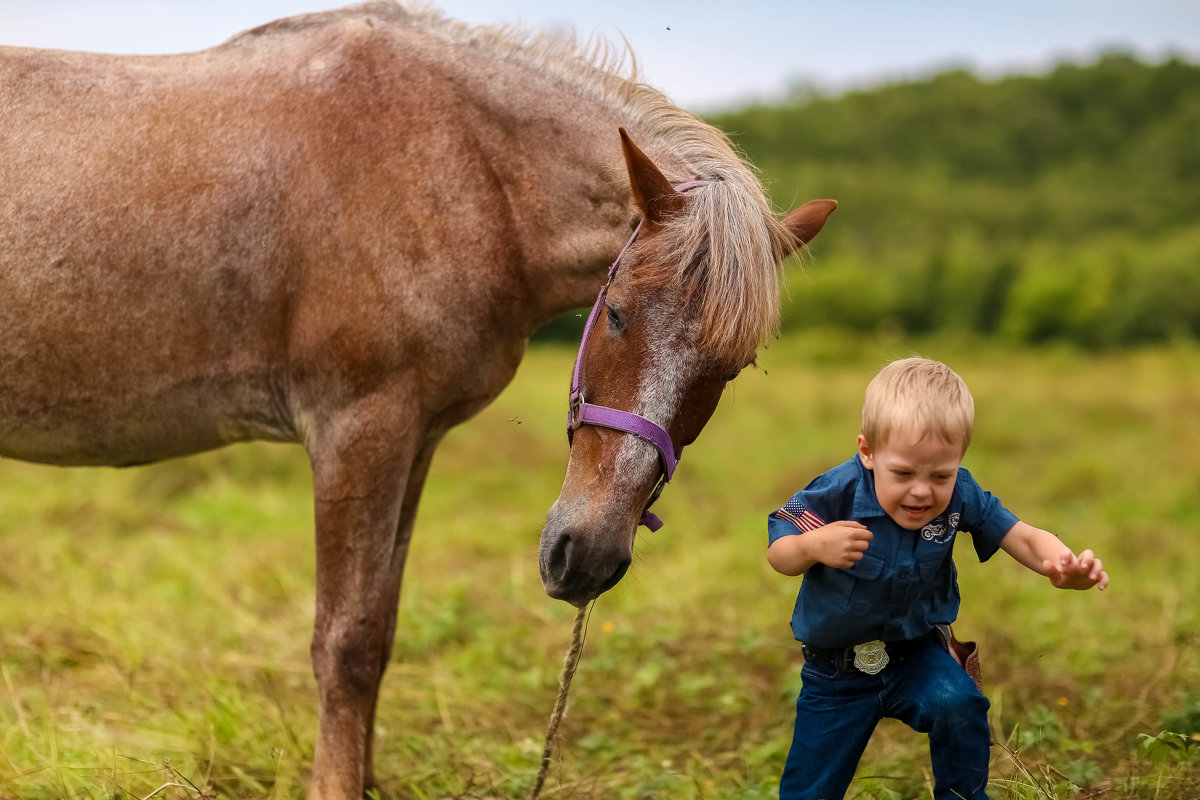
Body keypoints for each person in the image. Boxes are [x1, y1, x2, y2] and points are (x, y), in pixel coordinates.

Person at [766, 357, 1109, 800]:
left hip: (917, 655)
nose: (922, 491)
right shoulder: (836, 493)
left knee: (960, 704)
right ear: (867, 452)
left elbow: (1019, 534)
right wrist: (813, 546)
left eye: (940, 475)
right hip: (837, 671)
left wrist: (1059, 564)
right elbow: (779, 553)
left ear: (959, 460)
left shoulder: (960, 494)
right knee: (808, 790)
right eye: (904, 473)